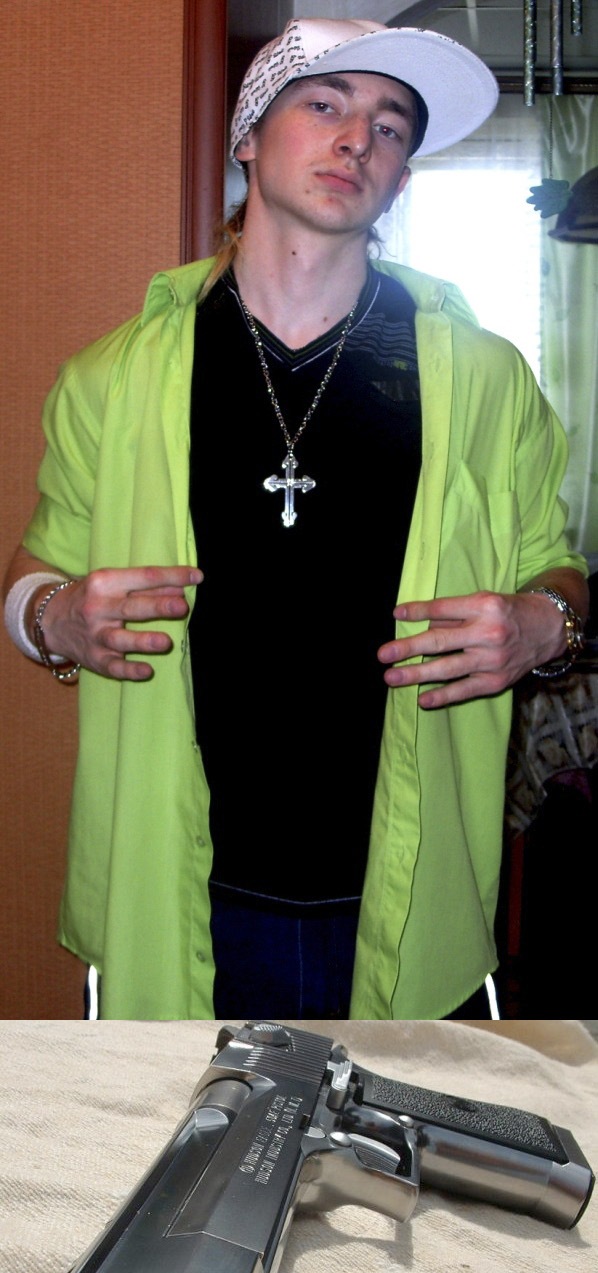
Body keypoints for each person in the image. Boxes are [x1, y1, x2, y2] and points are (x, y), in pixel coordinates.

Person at [3, 19, 589, 1021]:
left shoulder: (486, 377)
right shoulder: (113, 377)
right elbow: (34, 574)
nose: (359, 139)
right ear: (248, 137)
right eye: (325, 106)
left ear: (400, 178)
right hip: (179, 897)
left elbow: (555, 568)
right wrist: (53, 619)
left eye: (391, 127)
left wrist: (546, 624)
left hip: (412, 899)